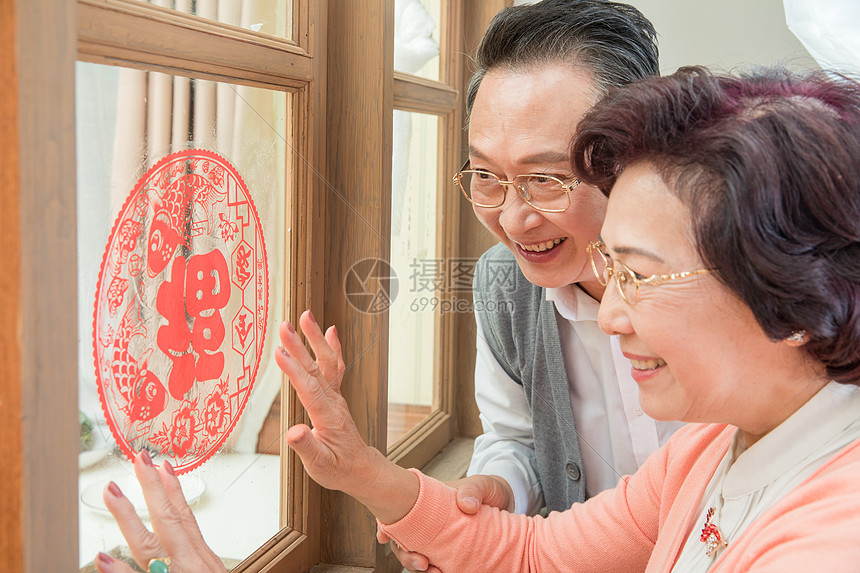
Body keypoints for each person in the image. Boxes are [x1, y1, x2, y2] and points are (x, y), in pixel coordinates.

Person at [96, 65, 860, 572]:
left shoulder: (828, 535)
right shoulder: (712, 444)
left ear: (793, 297)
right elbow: (531, 546)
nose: (613, 312)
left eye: (641, 274)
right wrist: (364, 468)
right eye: (486, 175)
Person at [442, 0, 682, 523]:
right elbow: (516, 435)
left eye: (545, 179)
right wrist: (500, 488)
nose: (512, 219)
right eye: (485, 175)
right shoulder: (505, 284)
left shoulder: (726, 276)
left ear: (638, 151)